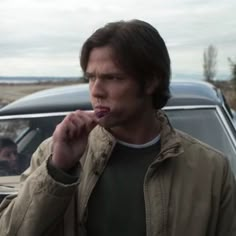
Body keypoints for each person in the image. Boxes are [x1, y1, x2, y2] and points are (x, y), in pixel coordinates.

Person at [0, 19, 235, 236]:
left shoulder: (212, 170)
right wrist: (58, 170)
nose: (96, 90)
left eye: (112, 78)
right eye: (91, 77)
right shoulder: (54, 154)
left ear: (151, 81)